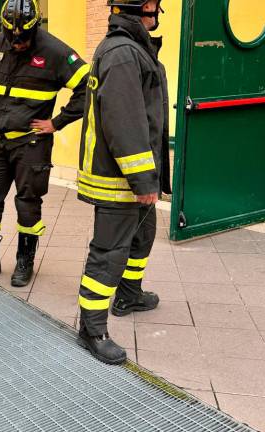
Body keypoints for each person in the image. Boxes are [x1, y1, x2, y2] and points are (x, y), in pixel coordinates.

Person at [0, 0, 90, 288]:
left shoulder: (55, 52)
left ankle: (25, 261)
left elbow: (89, 86)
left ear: (35, 27)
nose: (18, 43)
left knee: (28, 204)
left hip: (32, 143)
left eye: (23, 38)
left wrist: (57, 122)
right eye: (12, 37)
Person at [75, 0, 170, 365]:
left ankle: (129, 294)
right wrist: (144, 179)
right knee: (109, 253)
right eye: (155, 5)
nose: (157, 11)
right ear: (145, 6)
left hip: (133, 178)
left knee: (142, 238)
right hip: (121, 182)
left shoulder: (131, 48)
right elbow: (125, 124)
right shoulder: (123, 53)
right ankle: (91, 328)